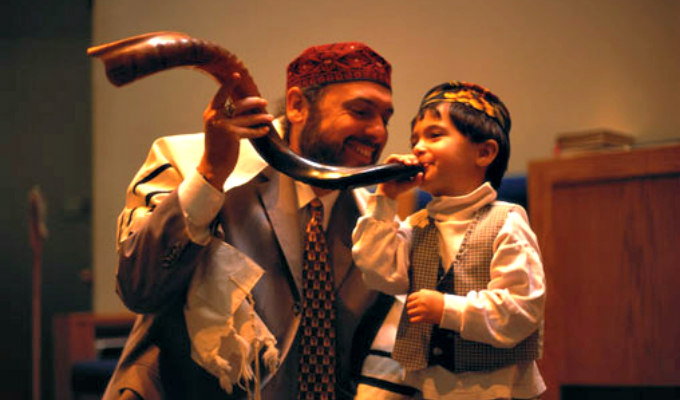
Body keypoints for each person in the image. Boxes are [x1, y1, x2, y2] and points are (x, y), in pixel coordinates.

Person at [103, 41, 396, 400]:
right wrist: (210, 175)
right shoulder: (185, 160)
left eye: (386, 117)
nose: (379, 132)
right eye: (361, 112)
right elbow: (139, 288)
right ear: (297, 105)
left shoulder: (374, 219)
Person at [352, 82, 546, 400]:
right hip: (430, 388)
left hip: (494, 387)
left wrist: (447, 308)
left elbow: (521, 310)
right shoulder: (419, 223)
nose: (417, 148)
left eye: (434, 135)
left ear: (484, 152)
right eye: (415, 139)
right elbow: (380, 274)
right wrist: (384, 199)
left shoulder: (507, 222)